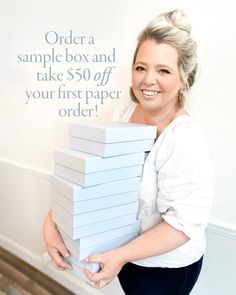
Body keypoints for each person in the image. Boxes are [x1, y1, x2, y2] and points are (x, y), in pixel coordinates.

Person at [43, 9, 214, 295]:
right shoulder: (120, 114)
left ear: (184, 79)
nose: (147, 80)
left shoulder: (184, 140)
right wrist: (51, 222)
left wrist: (121, 255)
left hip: (165, 270)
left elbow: (183, 225)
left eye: (164, 70)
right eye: (140, 67)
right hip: (123, 256)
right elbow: (84, 174)